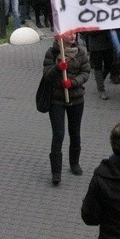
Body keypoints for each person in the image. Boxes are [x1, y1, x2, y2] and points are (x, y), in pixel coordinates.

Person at [42, 33, 91, 185]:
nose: (73, 36)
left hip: (76, 99)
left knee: (75, 132)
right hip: (56, 100)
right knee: (58, 134)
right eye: (69, 33)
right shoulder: (52, 53)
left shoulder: (81, 52)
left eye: (74, 33)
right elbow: (46, 75)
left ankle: (74, 163)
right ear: (60, 37)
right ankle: (56, 172)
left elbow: (86, 72)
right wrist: (58, 68)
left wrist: (73, 82)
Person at [83, 29, 116, 100]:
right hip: (95, 46)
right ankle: (101, 88)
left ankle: (100, 79)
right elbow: (87, 31)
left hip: (108, 43)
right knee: (98, 67)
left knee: (109, 65)